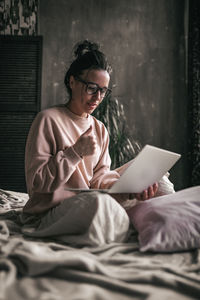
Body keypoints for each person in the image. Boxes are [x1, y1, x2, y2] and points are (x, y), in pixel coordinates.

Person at [21, 40, 174, 246]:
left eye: (103, 91)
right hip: (50, 210)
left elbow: (99, 179)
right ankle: (126, 222)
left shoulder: (99, 128)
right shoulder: (48, 119)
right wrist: (75, 152)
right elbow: (37, 184)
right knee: (98, 203)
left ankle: (166, 231)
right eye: (92, 88)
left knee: (160, 182)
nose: (98, 97)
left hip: (89, 198)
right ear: (72, 82)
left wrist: (130, 189)